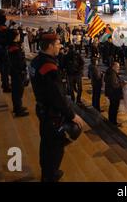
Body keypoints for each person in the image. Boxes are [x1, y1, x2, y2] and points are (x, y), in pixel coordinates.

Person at [29, 33, 85, 182]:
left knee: (46, 144)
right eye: (58, 44)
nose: (60, 46)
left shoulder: (35, 62)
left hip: (42, 109)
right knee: (55, 148)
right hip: (52, 114)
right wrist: (73, 115)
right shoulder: (49, 67)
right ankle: (51, 175)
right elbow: (58, 97)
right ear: (50, 46)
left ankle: (46, 172)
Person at [7, 29, 29, 117]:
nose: (20, 36)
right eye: (18, 35)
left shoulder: (14, 46)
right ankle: (18, 110)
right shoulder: (14, 48)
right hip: (17, 73)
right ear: (15, 37)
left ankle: (18, 106)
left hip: (15, 72)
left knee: (18, 91)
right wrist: (23, 69)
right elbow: (18, 62)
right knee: (18, 91)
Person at [0, 9, 11, 93]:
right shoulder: (1, 26)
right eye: (4, 15)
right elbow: (7, 37)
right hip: (2, 49)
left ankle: (5, 83)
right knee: (5, 68)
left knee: (3, 68)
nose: (6, 17)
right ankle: (5, 86)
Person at [104, 61, 125, 126]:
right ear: (113, 67)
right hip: (114, 94)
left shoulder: (109, 72)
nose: (119, 68)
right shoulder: (112, 74)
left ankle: (111, 120)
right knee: (114, 108)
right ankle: (113, 122)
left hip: (111, 93)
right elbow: (115, 85)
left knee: (112, 107)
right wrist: (122, 84)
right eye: (117, 67)